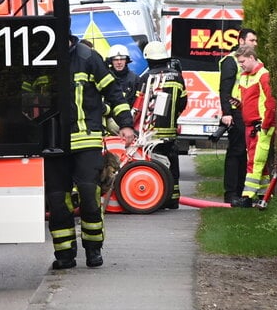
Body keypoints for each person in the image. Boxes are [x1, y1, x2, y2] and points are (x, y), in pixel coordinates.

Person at [45, 35, 136, 270]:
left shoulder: (88, 58)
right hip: (53, 144)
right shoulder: (40, 59)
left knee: (90, 195)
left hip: (86, 141)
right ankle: (64, 255)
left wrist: (125, 123)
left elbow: (114, 91)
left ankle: (93, 250)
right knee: (58, 201)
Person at [137, 40, 187, 209]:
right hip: (170, 132)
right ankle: (173, 199)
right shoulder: (177, 77)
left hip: (150, 134)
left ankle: (157, 198)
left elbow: (138, 104)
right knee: (172, 165)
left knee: (154, 167)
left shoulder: (146, 78)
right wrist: (173, 117)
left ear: (148, 59)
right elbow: (183, 102)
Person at [216, 28, 258, 205]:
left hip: (249, 112)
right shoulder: (230, 61)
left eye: (256, 41)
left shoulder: (254, 61)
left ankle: (241, 191)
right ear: (241, 41)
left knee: (245, 153)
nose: (255, 43)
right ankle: (231, 192)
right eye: (252, 40)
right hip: (236, 112)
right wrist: (226, 113)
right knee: (236, 151)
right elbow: (225, 89)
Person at [231, 44, 277, 208]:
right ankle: (263, 195)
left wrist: (265, 125)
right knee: (259, 163)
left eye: (243, 61)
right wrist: (239, 105)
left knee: (255, 162)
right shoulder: (244, 76)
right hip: (251, 126)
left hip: (260, 126)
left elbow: (271, 103)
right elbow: (248, 102)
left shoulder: (263, 76)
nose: (241, 65)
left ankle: (247, 197)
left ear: (252, 58)